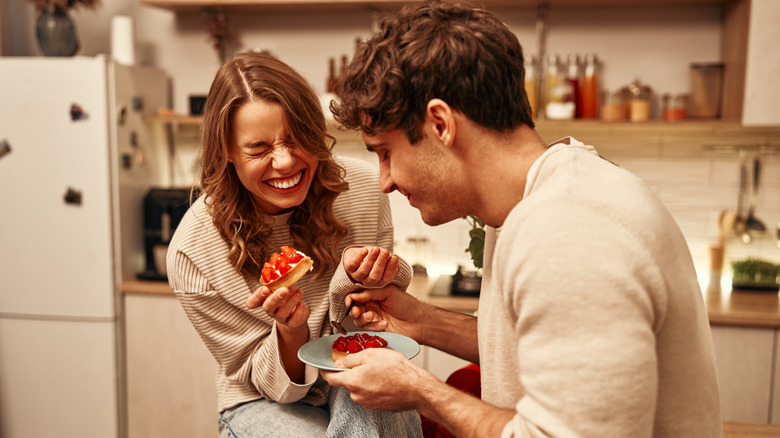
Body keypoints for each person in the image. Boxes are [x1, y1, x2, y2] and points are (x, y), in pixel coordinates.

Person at [321, 1, 722, 437]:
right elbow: (546, 352)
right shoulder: (540, 196)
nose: (385, 182)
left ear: (440, 124)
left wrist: (421, 391)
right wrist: (422, 321)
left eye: (385, 153)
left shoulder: (567, 228)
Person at [166, 51, 422, 438]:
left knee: (380, 400)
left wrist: (379, 270)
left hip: (350, 359)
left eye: (295, 138)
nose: (285, 162)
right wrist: (291, 331)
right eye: (259, 148)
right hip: (260, 398)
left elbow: (379, 320)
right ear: (226, 153)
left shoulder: (365, 190)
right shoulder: (192, 252)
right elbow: (262, 381)